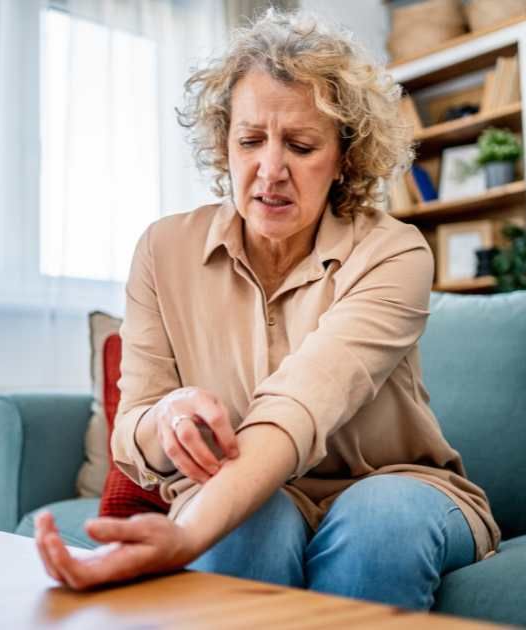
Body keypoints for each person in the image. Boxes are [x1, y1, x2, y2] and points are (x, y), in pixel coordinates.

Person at [33, 9, 499, 610]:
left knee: (378, 523)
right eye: (250, 140)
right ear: (224, 144)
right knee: (247, 523)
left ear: (344, 158)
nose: (270, 171)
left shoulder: (394, 252)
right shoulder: (162, 250)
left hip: (394, 485)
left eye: (301, 146)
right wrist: (165, 420)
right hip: (241, 492)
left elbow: (299, 404)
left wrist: (186, 535)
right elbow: (134, 428)